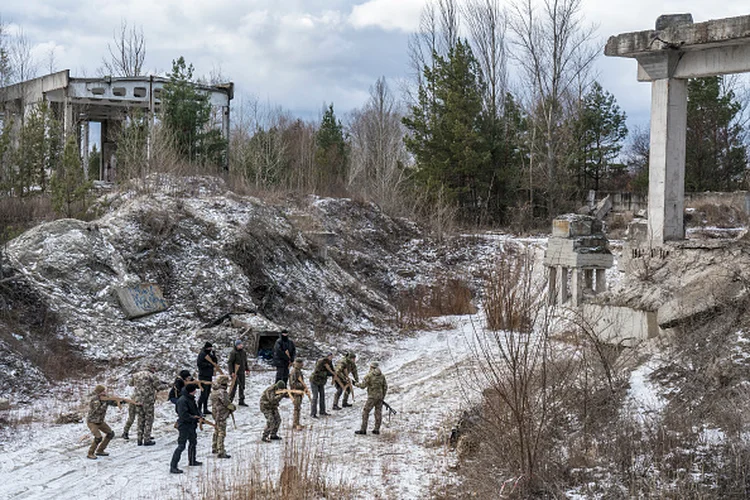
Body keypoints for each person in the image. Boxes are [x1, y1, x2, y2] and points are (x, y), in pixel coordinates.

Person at [86, 385, 138, 459]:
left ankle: (100, 450)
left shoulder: (106, 398)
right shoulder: (95, 400)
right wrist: (105, 400)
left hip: (100, 421)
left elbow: (113, 403)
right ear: (99, 393)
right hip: (92, 422)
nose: (105, 392)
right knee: (98, 437)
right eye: (103, 391)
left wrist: (121, 401)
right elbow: (97, 409)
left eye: (104, 390)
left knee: (110, 434)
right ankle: (90, 453)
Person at [129, 363, 168, 446]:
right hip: (148, 401)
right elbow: (159, 387)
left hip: (137, 400)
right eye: (154, 368)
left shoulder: (135, 375)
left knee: (140, 419)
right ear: (151, 368)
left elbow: (131, 384)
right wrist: (168, 385)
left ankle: (139, 439)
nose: (155, 370)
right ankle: (147, 439)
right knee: (148, 419)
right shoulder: (152, 376)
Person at [170, 383, 202, 474]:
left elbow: (195, 410)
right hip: (184, 425)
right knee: (181, 446)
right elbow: (183, 415)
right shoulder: (182, 400)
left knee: (193, 442)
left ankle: (192, 460)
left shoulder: (190, 398)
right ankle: (173, 466)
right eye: (194, 390)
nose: (196, 391)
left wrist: (199, 416)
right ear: (191, 391)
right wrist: (193, 417)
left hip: (191, 425)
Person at [355, 361, 388, 436]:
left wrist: (356, 384)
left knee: (365, 412)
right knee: (378, 412)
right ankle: (376, 429)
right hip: (380, 397)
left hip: (372, 397)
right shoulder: (382, 376)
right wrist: (382, 396)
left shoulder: (369, 376)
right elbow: (385, 387)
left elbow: (363, 386)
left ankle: (363, 430)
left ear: (371, 367)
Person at [210, 375, 234, 458]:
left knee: (216, 430)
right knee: (221, 432)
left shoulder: (214, 391)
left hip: (215, 413)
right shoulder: (222, 392)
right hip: (221, 414)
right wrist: (232, 407)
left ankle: (214, 446)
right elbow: (226, 403)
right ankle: (221, 451)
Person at [197, 342, 221, 415]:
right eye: (209, 348)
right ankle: (199, 409)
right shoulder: (202, 354)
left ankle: (205, 408)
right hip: (203, 376)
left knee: (207, 393)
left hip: (209, 375)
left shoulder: (209, 354)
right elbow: (200, 364)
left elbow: (214, 361)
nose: (210, 349)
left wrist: (214, 355)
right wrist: (209, 365)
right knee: (203, 393)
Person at [310, 353, 335, 418]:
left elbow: (333, 371)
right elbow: (317, 372)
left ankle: (322, 411)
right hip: (315, 381)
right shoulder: (321, 362)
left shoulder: (329, 363)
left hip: (321, 382)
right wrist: (328, 373)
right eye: (330, 356)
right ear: (327, 356)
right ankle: (313, 413)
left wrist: (333, 375)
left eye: (332, 357)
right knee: (315, 397)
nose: (331, 358)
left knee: (322, 396)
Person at [227, 339, 249, 406]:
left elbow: (245, 361)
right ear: (236, 346)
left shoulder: (243, 352)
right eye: (239, 345)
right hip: (235, 372)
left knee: (242, 386)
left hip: (241, 372)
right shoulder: (233, 353)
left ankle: (241, 400)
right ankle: (230, 400)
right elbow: (230, 363)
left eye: (241, 344)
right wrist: (232, 372)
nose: (241, 346)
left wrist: (247, 369)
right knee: (234, 387)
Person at [289, 359, 308, 430]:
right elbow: (293, 383)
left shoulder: (298, 371)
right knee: (296, 408)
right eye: (301, 363)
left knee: (298, 407)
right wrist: (302, 385)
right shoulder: (294, 372)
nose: (302, 365)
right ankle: (295, 424)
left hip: (299, 391)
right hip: (296, 391)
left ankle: (297, 422)